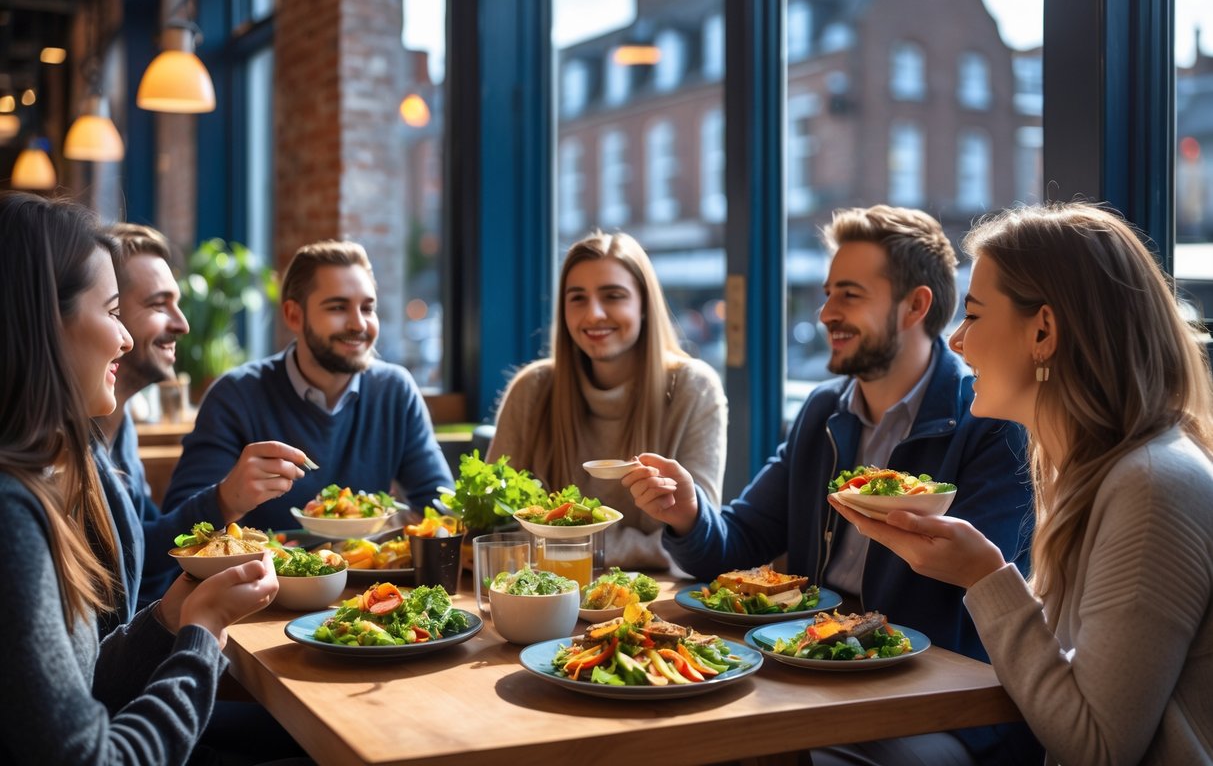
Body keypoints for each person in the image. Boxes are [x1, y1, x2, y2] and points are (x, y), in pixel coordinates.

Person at [626, 205, 1038, 764]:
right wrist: (686, 513)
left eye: (849, 295)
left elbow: (980, 600)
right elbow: (739, 541)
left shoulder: (989, 422)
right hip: (814, 670)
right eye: (827, 294)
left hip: (937, 701)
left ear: (915, 305)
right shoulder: (824, 412)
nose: (825, 314)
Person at [828, 204, 1213, 765]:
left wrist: (983, 578)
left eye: (975, 316)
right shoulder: (1096, 472)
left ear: (1043, 330)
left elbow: (1097, 747)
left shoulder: (1151, 488)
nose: (957, 342)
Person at [0, 190, 278, 763]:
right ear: (45, 322)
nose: (124, 338)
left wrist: (171, 617)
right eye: (111, 311)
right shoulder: (13, 514)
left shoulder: (48, 474)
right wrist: (201, 639)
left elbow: (83, 688)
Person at [161, 240, 452, 536]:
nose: (358, 324)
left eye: (367, 308)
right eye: (338, 307)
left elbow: (440, 506)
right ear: (293, 316)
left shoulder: (394, 391)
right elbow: (176, 529)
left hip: (373, 581)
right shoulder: (236, 396)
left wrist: (391, 527)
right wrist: (226, 498)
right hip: (266, 579)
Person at [488, 230, 726, 569]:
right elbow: (499, 528)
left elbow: (694, 540)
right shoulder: (532, 389)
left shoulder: (694, 388)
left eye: (613, 296)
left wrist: (563, 543)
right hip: (543, 596)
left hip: (657, 603)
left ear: (645, 306)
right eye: (578, 298)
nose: (594, 314)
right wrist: (635, 548)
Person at [96, 223, 297, 615]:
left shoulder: (121, 429)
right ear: (111, 313)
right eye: (158, 304)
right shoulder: (70, 449)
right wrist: (223, 499)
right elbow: (128, 569)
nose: (183, 324)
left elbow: (146, 548)